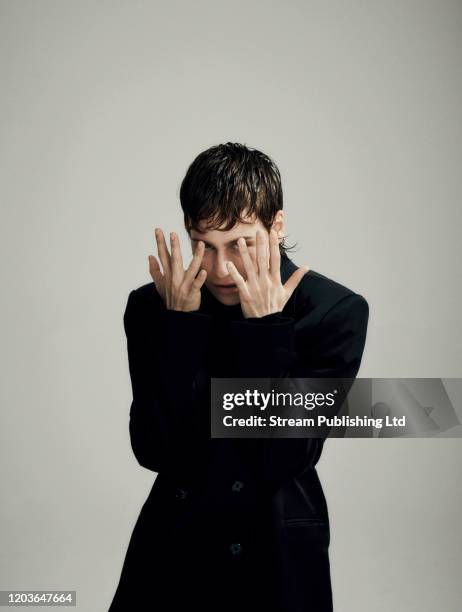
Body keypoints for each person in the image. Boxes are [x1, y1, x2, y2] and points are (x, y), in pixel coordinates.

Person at [108, 142, 369, 611]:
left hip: (275, 549)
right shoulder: (155, 309)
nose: (221, 267)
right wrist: (179, 332)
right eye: (203, 245)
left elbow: (281, 458)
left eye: (241, 243)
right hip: (173, 545)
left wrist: (265, 332)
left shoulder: (334, 312)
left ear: (277, 226)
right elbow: (154, 449)